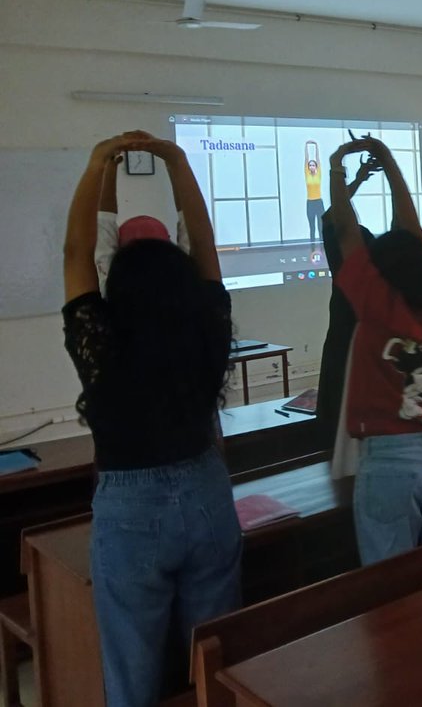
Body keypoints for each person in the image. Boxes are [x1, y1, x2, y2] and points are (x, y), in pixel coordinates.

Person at [62, 131, 240, 707]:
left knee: (132, 674)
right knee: (214, 658)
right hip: (206, 490)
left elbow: (77, 254)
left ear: (118, 289)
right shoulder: (205, 327)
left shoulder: (102, 342)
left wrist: (98, 165)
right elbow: (204, 237)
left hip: (130, 508)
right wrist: (177, 161)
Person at [327, 134, 422, 565]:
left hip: (390, 460)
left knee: (391, 590)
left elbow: (346, 230)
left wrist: (336, 167)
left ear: (379, 268)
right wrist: (388, 161)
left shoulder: (374, 301)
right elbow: (411, 227)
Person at [314, 154, 382, 448]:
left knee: (337, 397)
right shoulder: (380, 280)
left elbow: (334, 216)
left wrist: (344, 170)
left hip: (342, 345)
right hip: (365, 350)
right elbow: (337, 217)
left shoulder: (344, 269)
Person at [95, 152, 190, 292]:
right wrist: (174, 166)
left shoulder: (110, 289)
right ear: (170, 244)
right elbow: (190, 222)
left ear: (118, 248)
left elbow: (105, 221)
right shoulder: (189, 287)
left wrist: (109, 167)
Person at [304, 140, 324, 242]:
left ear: (316, 167)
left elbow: (318, 158)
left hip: (318, 202)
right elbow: (306, 158)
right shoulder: (307, 174)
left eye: (313, 165)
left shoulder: (318, 173)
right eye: (310, 165)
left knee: (321, 227)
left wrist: (316, 146)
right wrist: (306, 146)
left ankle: (322, 246)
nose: (311, 166)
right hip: (310, 203)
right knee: (312, 228)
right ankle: (312, 248)